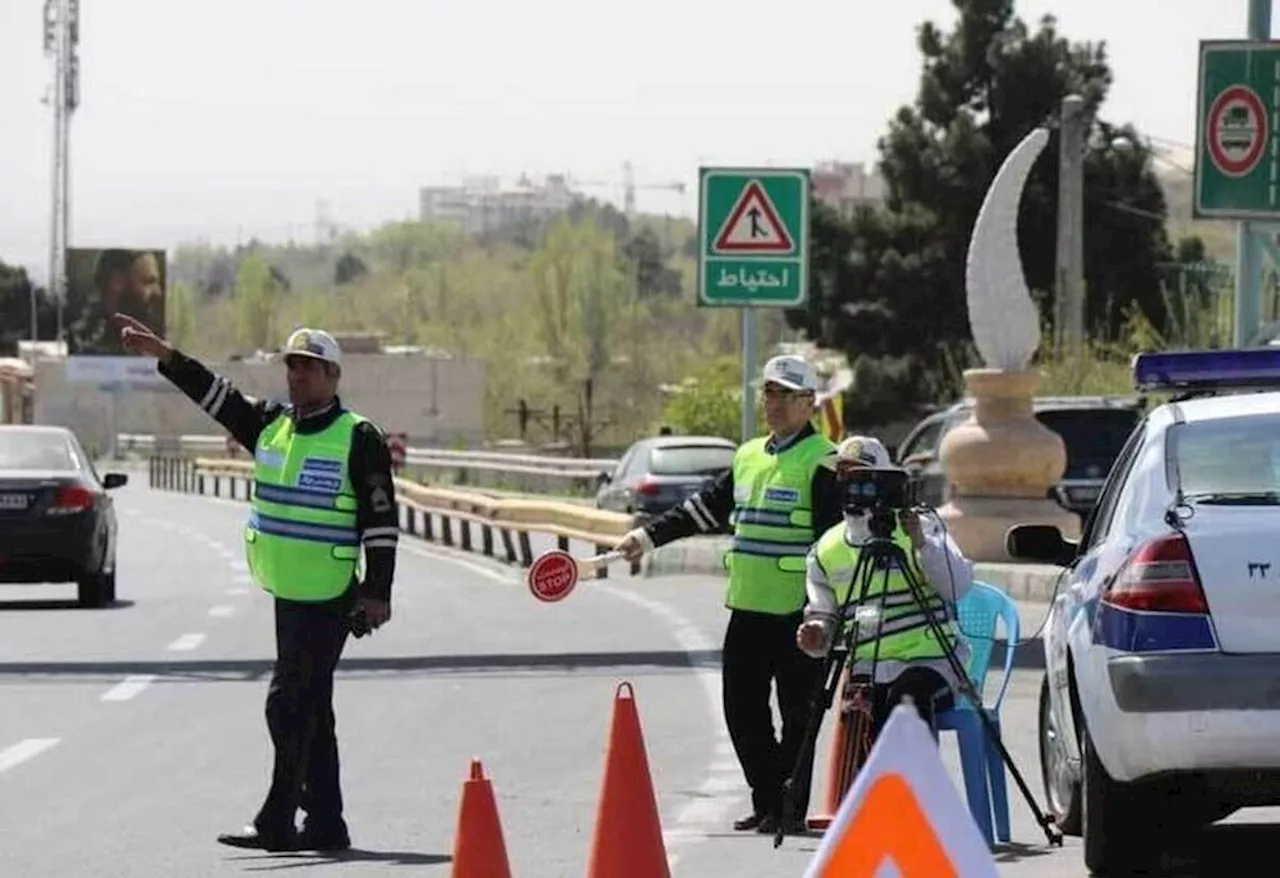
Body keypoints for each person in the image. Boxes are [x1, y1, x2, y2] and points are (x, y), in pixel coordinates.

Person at [113, 314, 399, 852]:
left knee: (285, 703)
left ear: (334, 375)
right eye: (292, 367)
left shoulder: (357, 437)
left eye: (310, 369)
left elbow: (382, 519)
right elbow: (214, 395)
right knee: (313, 705)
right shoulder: (272, 425)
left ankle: (276, 820)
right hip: (288, 591)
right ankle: (326, 823)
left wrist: (377, 591)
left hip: (333, 592)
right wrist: (165, 355)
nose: (298, 377)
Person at [615, 354, 842, 836]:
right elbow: (701, 510)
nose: (773, 403)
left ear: (808, 403)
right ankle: (767, 798)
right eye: (769, 393)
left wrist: (825, 610)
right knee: (742, 711)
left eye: (785, 394)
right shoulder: (748, 456)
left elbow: (833, 541)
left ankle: (788, 806)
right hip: (749, 608)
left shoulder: (825, 461)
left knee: (799, 717)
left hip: (802, 612)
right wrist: (646, 538)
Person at [796, 435, 974, 743]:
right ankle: (877, 787)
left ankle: (912, 786)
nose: (854, 484)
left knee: (906, 702)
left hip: (931, 663)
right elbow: (823, 624)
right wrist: (815, 634)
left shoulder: (919, 526)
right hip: (868, 669)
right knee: (868, 710)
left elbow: (958, 587)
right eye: (845, 474)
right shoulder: (826, 549)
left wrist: (920, 541)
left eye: (863, 475)